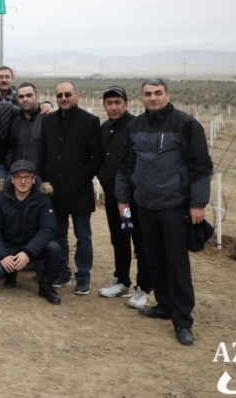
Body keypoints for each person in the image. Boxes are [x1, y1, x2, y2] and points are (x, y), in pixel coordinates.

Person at [115, 78, 213, 347]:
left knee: (177, 263)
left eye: (158, 93)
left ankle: (182, 320)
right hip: (144, 206)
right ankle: (165, 305)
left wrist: (198, 203)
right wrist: (123, 199)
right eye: (148, 93)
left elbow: (201, 167)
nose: (153, 97)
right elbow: (125, 166)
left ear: (167, 95)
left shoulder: (186, 125)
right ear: (142, 97)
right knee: (154, 258)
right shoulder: (135, 126)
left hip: (174, 206)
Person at [37, 81, 102, 295]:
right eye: (59, 95)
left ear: (77, 96)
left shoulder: (90, 121)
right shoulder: (48, 121)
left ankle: (83, 276)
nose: (63, 98)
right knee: (58, 234)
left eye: (67, 94)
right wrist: (41, 180)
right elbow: (42, 153)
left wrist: (81, 176)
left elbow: (97, 157)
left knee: (83, 236)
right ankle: (63, 272)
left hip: (80, 189)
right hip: (53, 190)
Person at [96, 85, 151, 309]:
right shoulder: (105, 127)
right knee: (119, 238)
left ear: (126, 104)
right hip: (113, 195)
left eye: (118, 102)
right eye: (109, 103)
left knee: (140, 242)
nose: (113, 107)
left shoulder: (136, 126)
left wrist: (127, 195)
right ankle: (122, 281)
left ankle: (143, 288)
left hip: (134, 198)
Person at [0, 161, 61, 304]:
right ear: (12, 179)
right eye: (18, 176)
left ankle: (46, 286)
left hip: (33, 246)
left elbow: (48, 228)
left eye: (27, 177)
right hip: (9, 246)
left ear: (34, 179)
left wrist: (28, 253)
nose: (23, 181)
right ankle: (10, 274)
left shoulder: (43, 197)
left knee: (54, 248)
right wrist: (2, 255)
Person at [7, 82, 52, 169]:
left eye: (29, 95)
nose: (25, 99)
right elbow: (10, 148)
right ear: (17, 99)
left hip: (40, 173)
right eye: (21, 97)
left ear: (37, 96)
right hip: (17, 173)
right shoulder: (14, 121)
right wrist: (9, 165)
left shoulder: (48, 119)